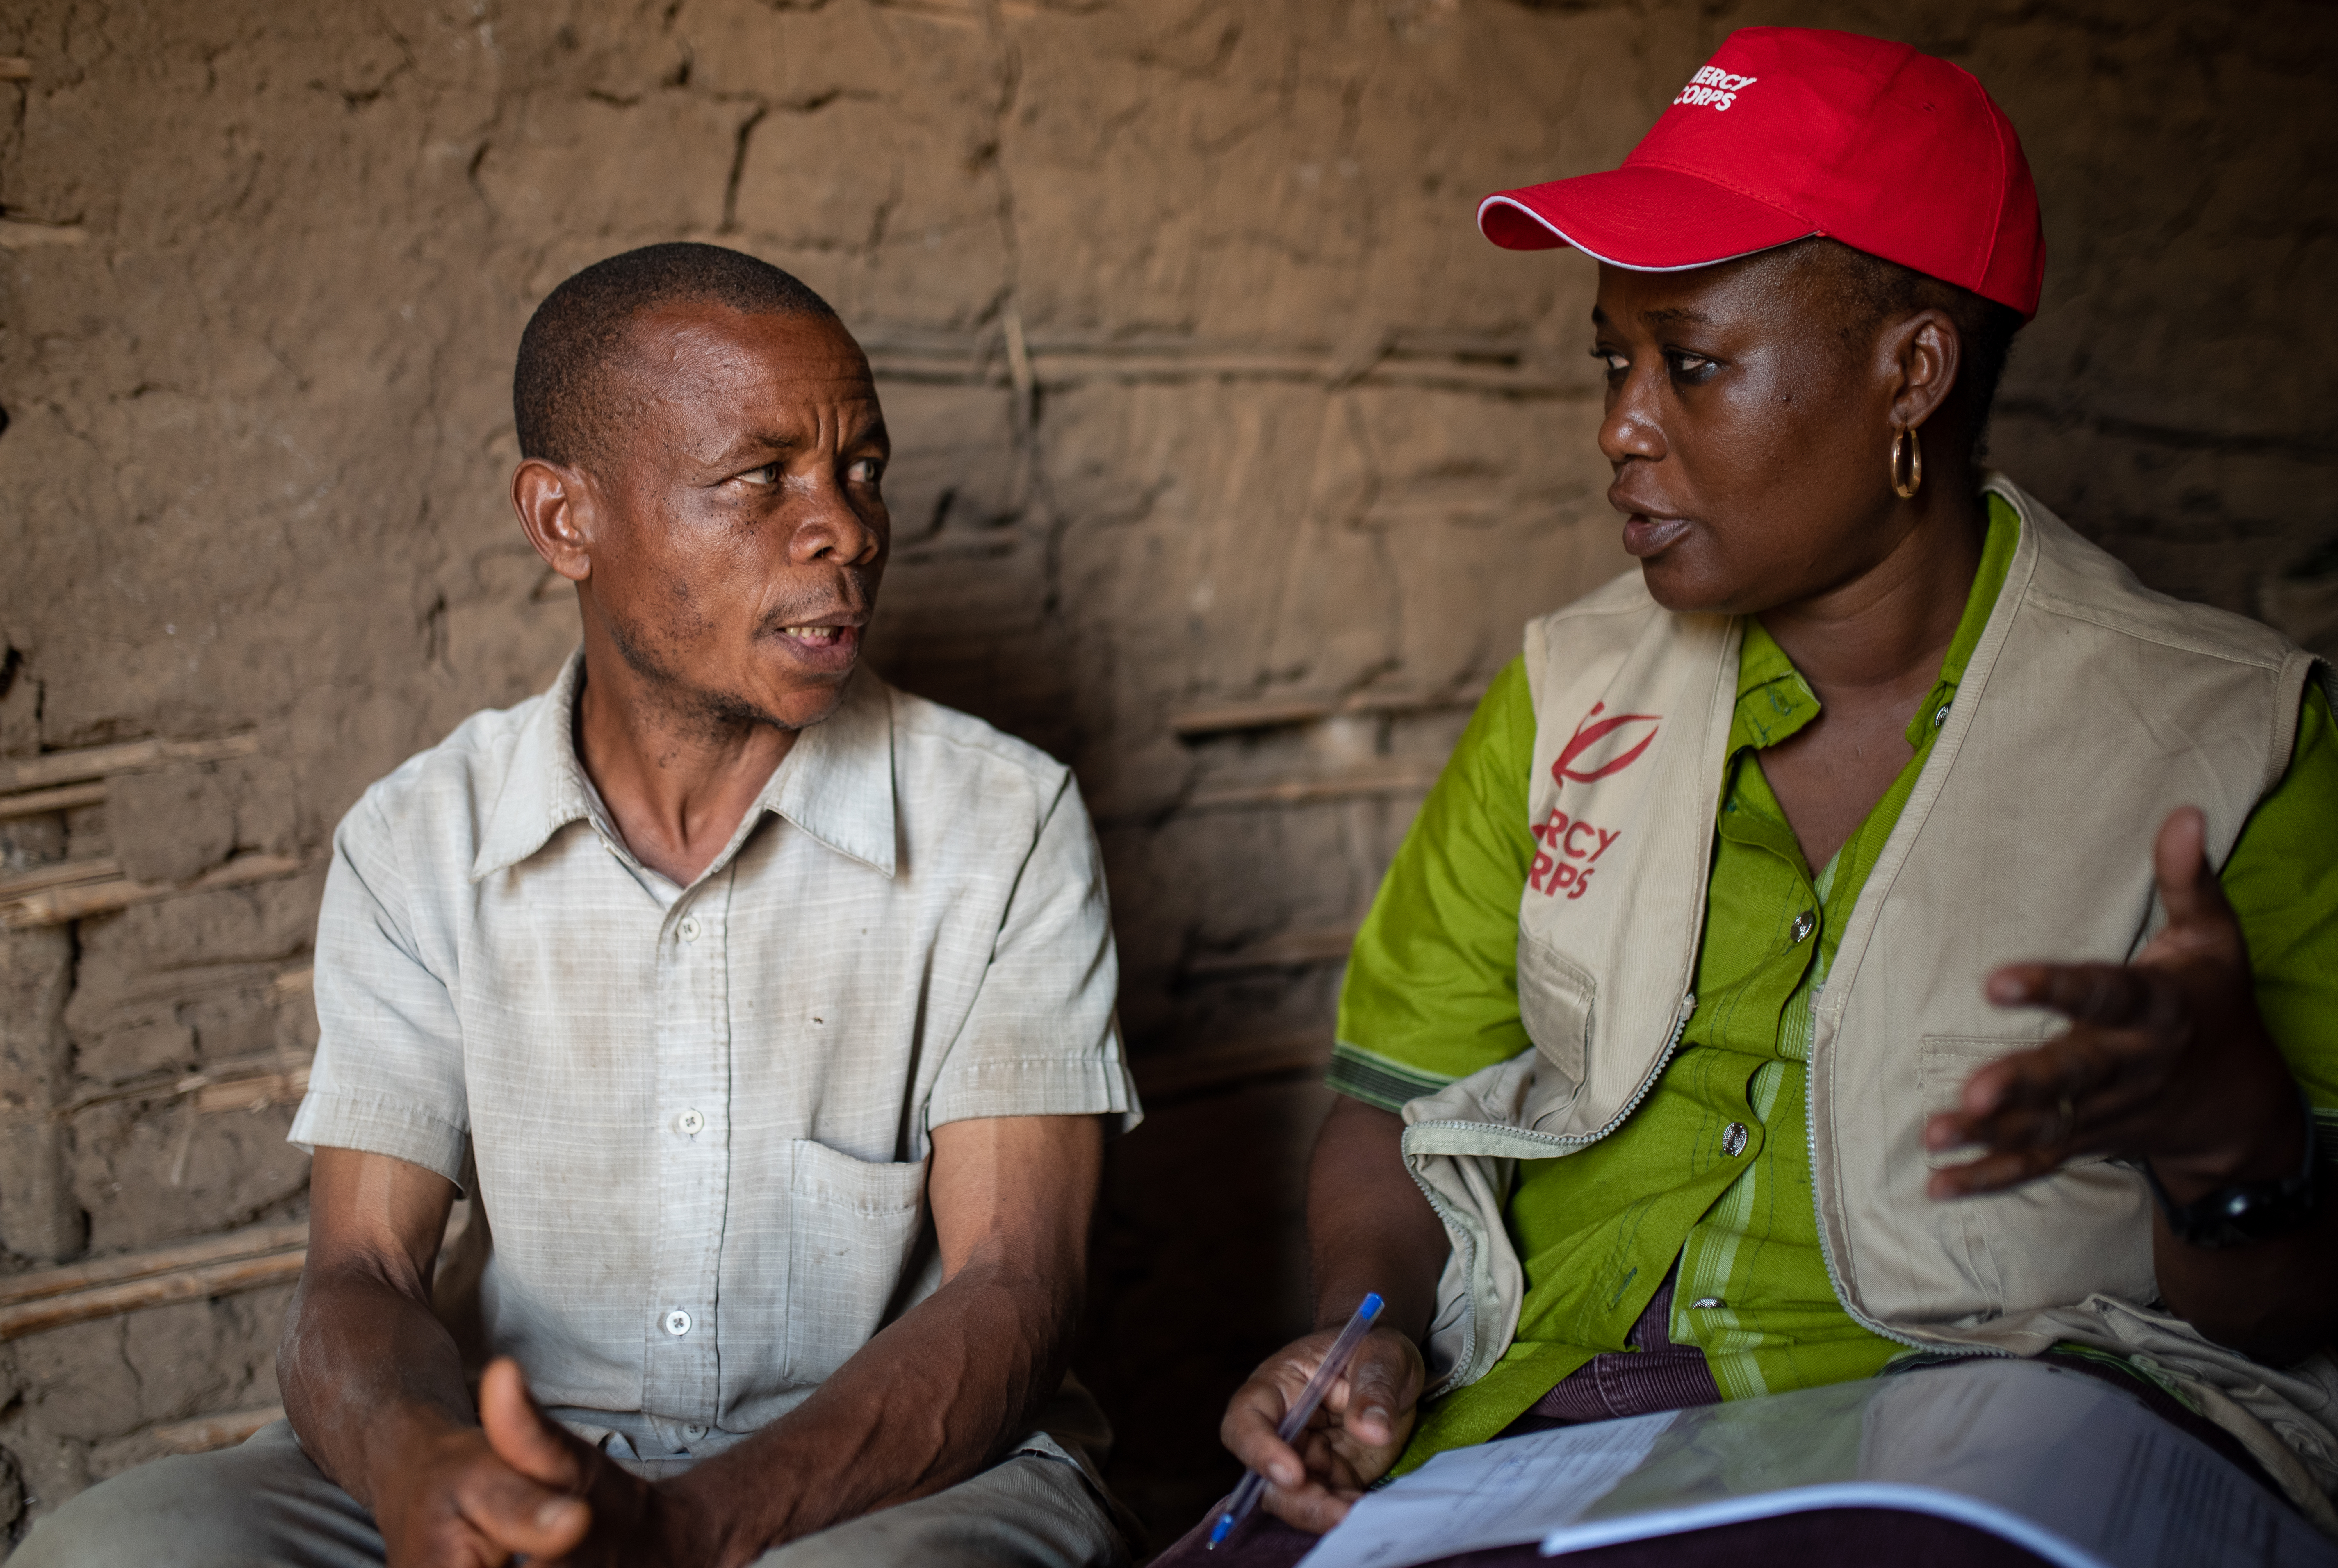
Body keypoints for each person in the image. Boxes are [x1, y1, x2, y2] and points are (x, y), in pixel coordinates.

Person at [1157, 26, 2338, 1568]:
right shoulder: (1571, 693)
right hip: (1529, 1433)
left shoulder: (2235, 740)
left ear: (1911, 375)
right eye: (1614, 360)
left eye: (1692, 364)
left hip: (1972, 1449)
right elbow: (1395, 1105)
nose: (1621, 424)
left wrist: (2229, 1154)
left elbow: (2280, 1316)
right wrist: (1362, 1329)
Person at [16, 244, 1141, 1567]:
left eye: (862, 469)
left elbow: (1016, 1287)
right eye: (762, 476)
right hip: (521, 1447)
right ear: (564, 520)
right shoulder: (422, 840)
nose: (846, 527)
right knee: (114, 1552)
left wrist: (688, 1526)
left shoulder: (1002, 825)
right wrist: (421, 1464)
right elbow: (361, 1274)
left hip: (895, 1479)